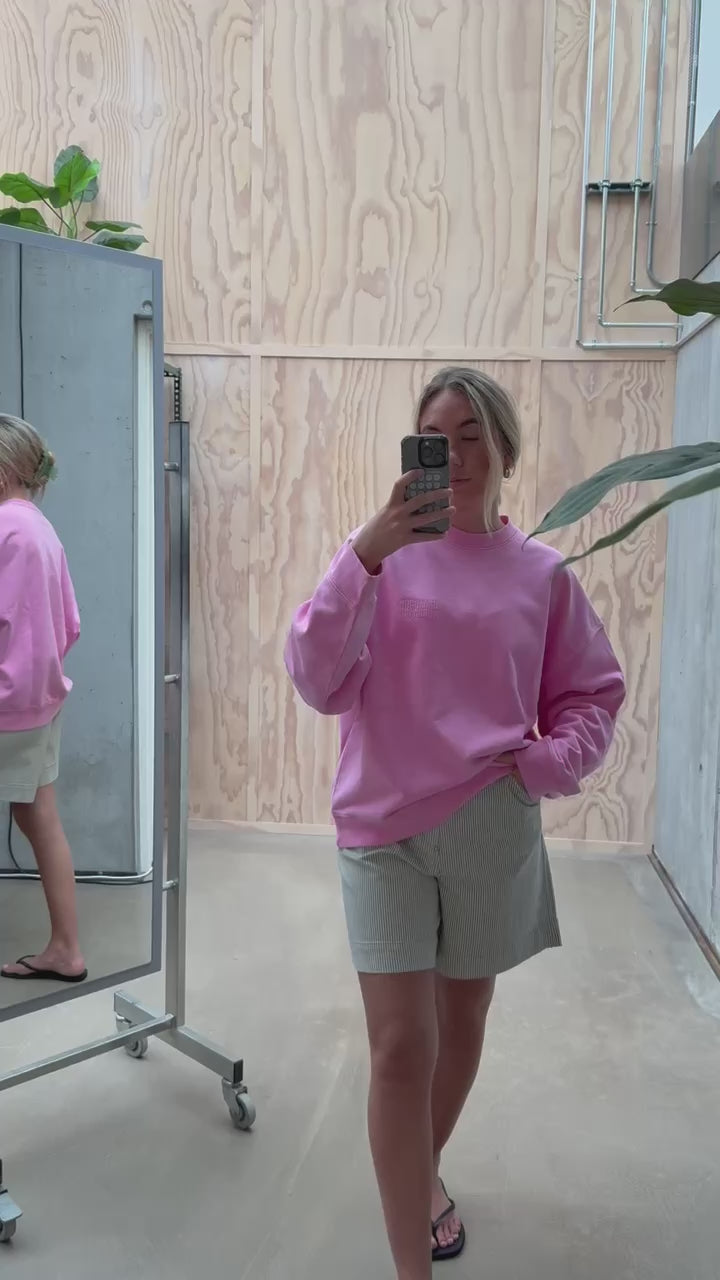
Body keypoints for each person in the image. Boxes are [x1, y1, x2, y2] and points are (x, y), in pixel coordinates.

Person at [285, 367, 625, 1279]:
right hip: (383, 826)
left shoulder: (542, 574)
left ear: (505, 449)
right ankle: (412, 1266)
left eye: (474, 435)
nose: (457, 455)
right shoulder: (381, 560)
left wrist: (548, 764)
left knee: (462, 1023)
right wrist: (364, 552)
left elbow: (593, 692)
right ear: (414, 452)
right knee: (402, 1046)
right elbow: (318, 680)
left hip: (490, 822)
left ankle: (421, 1174)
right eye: (436, 439)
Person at [0, 413, 86, 985]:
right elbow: (68, 624)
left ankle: (66, 948)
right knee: (38, 817)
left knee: (38, 817)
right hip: (39, 701)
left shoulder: (7, 529)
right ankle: (65, 948)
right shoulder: (40, 529)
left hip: (9, 704)